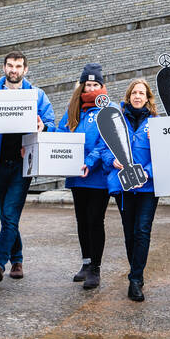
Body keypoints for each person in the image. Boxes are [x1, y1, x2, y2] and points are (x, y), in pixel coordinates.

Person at [0, 51, 55, 286]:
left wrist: (43, 129)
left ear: (25, 69)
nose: (14, 70)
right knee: (7, 217)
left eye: (18, 66)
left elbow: (50, 123)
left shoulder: (37, 95)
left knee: (10, 214)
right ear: (4, 68)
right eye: (10, 65)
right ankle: (18, 259)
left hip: (23, 165)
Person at [55, 63, 114, 289]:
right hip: (76, 175)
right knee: (81, 221)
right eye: (87, 85)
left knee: (95, 220)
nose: (90, 89)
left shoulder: (107, 109)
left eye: (95, 84)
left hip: (97, 176)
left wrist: (90, 161)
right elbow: (61, 134)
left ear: (102, 86)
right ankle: (86, 262)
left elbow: (106, 141)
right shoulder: (73, 109)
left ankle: (96, 268)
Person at [98, 78, 157, 302]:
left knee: (142, 230)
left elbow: (163, 154)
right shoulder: (116, 119)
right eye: (134, 93)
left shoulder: (155, 123)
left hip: (147, 187)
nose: (138, 96)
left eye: (142, 93)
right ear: (129, 96)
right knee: (129, 232)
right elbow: (103, 148)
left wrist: (147, 173)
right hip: (124, 186)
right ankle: (137, 272)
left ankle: (135, 279)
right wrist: (112, 161)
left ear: (148, 97)